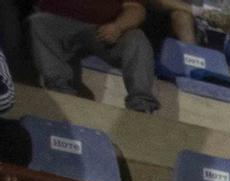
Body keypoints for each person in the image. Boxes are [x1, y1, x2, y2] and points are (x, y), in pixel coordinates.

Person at [28, 0, 159, 111]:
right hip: (57, 22)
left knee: (136, 37)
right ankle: (61, 90)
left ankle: (141, 103)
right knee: (38, 21)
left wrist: (118, 27)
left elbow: (136, 8)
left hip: (101, 30)